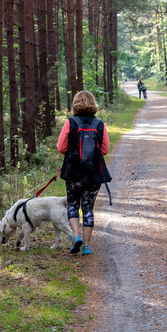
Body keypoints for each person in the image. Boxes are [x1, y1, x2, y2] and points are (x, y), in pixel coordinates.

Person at [57, 90, 112, 255]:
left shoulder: (70, 123)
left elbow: (61, 147)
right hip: (94, 174)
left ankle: (75, 236)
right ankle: (87, 246)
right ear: (93, 104)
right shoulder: (99, 124)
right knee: (88, 208)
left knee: (73, 204)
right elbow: (105, 150)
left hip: (73, 173)